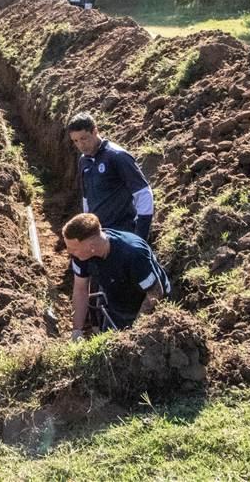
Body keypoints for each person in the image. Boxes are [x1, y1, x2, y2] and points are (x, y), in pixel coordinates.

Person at [64, 213, 171, 341]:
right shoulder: (81, 255)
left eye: (73, 248)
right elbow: (80, 289)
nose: (69, 252)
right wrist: (77, 330)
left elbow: (155, 292)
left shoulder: (133, 253)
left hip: (149, 306)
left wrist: (136, 331)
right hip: (117, 303)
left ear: (90, 246)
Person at [68, 112, 154, 240]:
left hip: (122, 233)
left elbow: (143, 193)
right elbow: (87, 198)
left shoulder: (117, 156)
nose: (81, 145)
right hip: (99, 234)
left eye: (84, 138)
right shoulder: (84, 161)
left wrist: (140, 236)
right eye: (75, 141)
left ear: (95, 131)